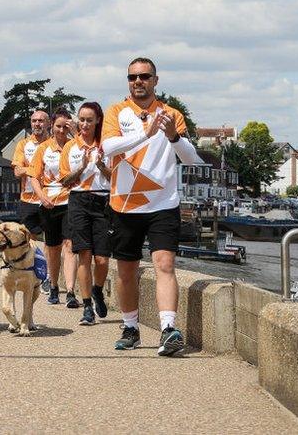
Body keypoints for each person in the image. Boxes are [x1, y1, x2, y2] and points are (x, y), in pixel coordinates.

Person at [102, 57, 202, 356]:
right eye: (132, 77)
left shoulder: (171, 114)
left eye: (144, 76)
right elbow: (107, 148)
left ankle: (168, 328)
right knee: (126, 271)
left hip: (163, 203)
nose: (138, 82)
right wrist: (144, 134)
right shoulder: (116, 112)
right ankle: (130, 326)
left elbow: (190, 158)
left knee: (165, 264)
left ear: (155, 80)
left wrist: (172, 136)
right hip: (124, 204)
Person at [59, 102, 112, 326]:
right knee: (85, 255)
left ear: (98, 120)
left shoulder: (107, 146)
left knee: (102, 259)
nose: (84, 124)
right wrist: (80, 168)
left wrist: (100, 165)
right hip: (79, 200)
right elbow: (64, 181)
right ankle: (87, 305)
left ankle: (98, 290)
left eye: (89, 120)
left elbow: (115, 178)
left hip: (102, 200)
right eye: (81, 119)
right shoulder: (71, 147)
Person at [28, 109, 75, 306]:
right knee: (52, 247)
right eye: (58, 126)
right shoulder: (44, 149)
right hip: (49, 201)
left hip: (71, 199)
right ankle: (54, 285)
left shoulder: (76, 146)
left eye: (66, 126)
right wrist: (41, 196)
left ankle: (71, 291)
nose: (62, 130)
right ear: (52, 126)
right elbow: (34, 177)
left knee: (70, 245)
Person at [10, 109, 50, 290]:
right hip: (28, 199)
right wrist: (35, 168)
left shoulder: (53, 144)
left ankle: (48, 277)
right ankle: (34, 273)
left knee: (52, 240)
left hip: (50, 198)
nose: (37, 124)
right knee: (30, 239)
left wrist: (28, 167)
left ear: (48, 123)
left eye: (41, 121)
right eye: (34, 121)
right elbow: (17, 171)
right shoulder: (23, 144)